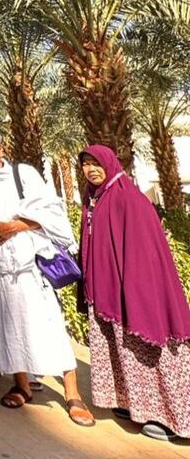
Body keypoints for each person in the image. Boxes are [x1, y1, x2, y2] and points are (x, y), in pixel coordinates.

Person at [0, 126, 94, 426]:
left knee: (49, 328)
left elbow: (53, 213)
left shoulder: (23, 175)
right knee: (7, 331)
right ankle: (21, 385)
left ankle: (73, 395)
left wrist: (16, 226)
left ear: (1, 147)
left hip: (27, 268)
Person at [78, 144, 190, 441]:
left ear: (110, 163)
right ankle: (134, 404)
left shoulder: (128, 198)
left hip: (137, 295)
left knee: (151, 355)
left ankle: (174, 420)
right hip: (109, 293)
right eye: (86, 164)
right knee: (123, 352)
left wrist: (137, 297)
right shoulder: (95, 197)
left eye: (96, 163)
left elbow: (145, 255)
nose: (90, 170)